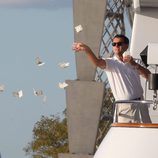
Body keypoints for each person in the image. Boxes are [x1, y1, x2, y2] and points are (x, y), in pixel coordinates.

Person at [72, 34, 152, 123]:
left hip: (141, 105)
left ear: (126, 46)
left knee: (146, 133)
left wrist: (134, 64)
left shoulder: (136, 62)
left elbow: (149, 77)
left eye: (119, 44)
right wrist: (87, 49)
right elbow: (97, 62)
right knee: (125, 136)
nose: (116, 46)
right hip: (125, 107)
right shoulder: (111, 63)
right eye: (114, 44)